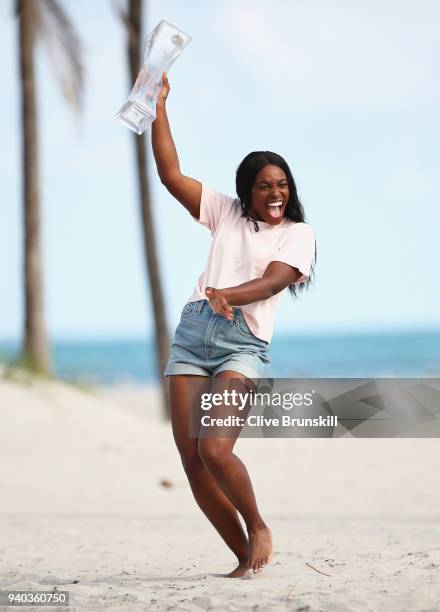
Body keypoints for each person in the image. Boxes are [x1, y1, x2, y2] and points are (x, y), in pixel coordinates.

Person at [151, 73, 316, 579]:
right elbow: (170, 174)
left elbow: (271, 282)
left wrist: (228, 294)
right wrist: (158, 105)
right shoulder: (226, 213)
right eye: (265, 185)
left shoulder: (298, 234)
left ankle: (259, 525)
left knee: (215, 447)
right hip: (194, 334)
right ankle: (244, 560)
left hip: (242, 344)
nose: (275, 193)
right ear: (247, 190)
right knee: (191, 459)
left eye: (282, 184)